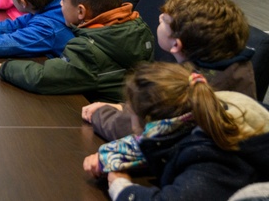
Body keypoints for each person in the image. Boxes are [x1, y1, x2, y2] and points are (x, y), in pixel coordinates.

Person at [83, 0, 256, 141]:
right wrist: (122, 107)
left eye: (164, 20)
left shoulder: (185, 87)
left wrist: (99, 113)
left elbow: (129, 129)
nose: (159, 18)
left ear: (176, 44)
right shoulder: (233, 67)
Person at [83, 62, 269, 201]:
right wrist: (111, 156)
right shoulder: (203, 110)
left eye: (130, 112)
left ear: (149, 122)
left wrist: (120, 185)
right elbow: (160, 142)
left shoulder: (209, 158)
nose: (129, 121)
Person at [0, 0, 154, 102]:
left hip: (103, 115)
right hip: (130, 109)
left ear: (81, 11)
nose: (60, 4)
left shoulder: (87, 49)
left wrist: (8, 67)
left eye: (63, 0)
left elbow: (43, 78)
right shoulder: (138, 28)